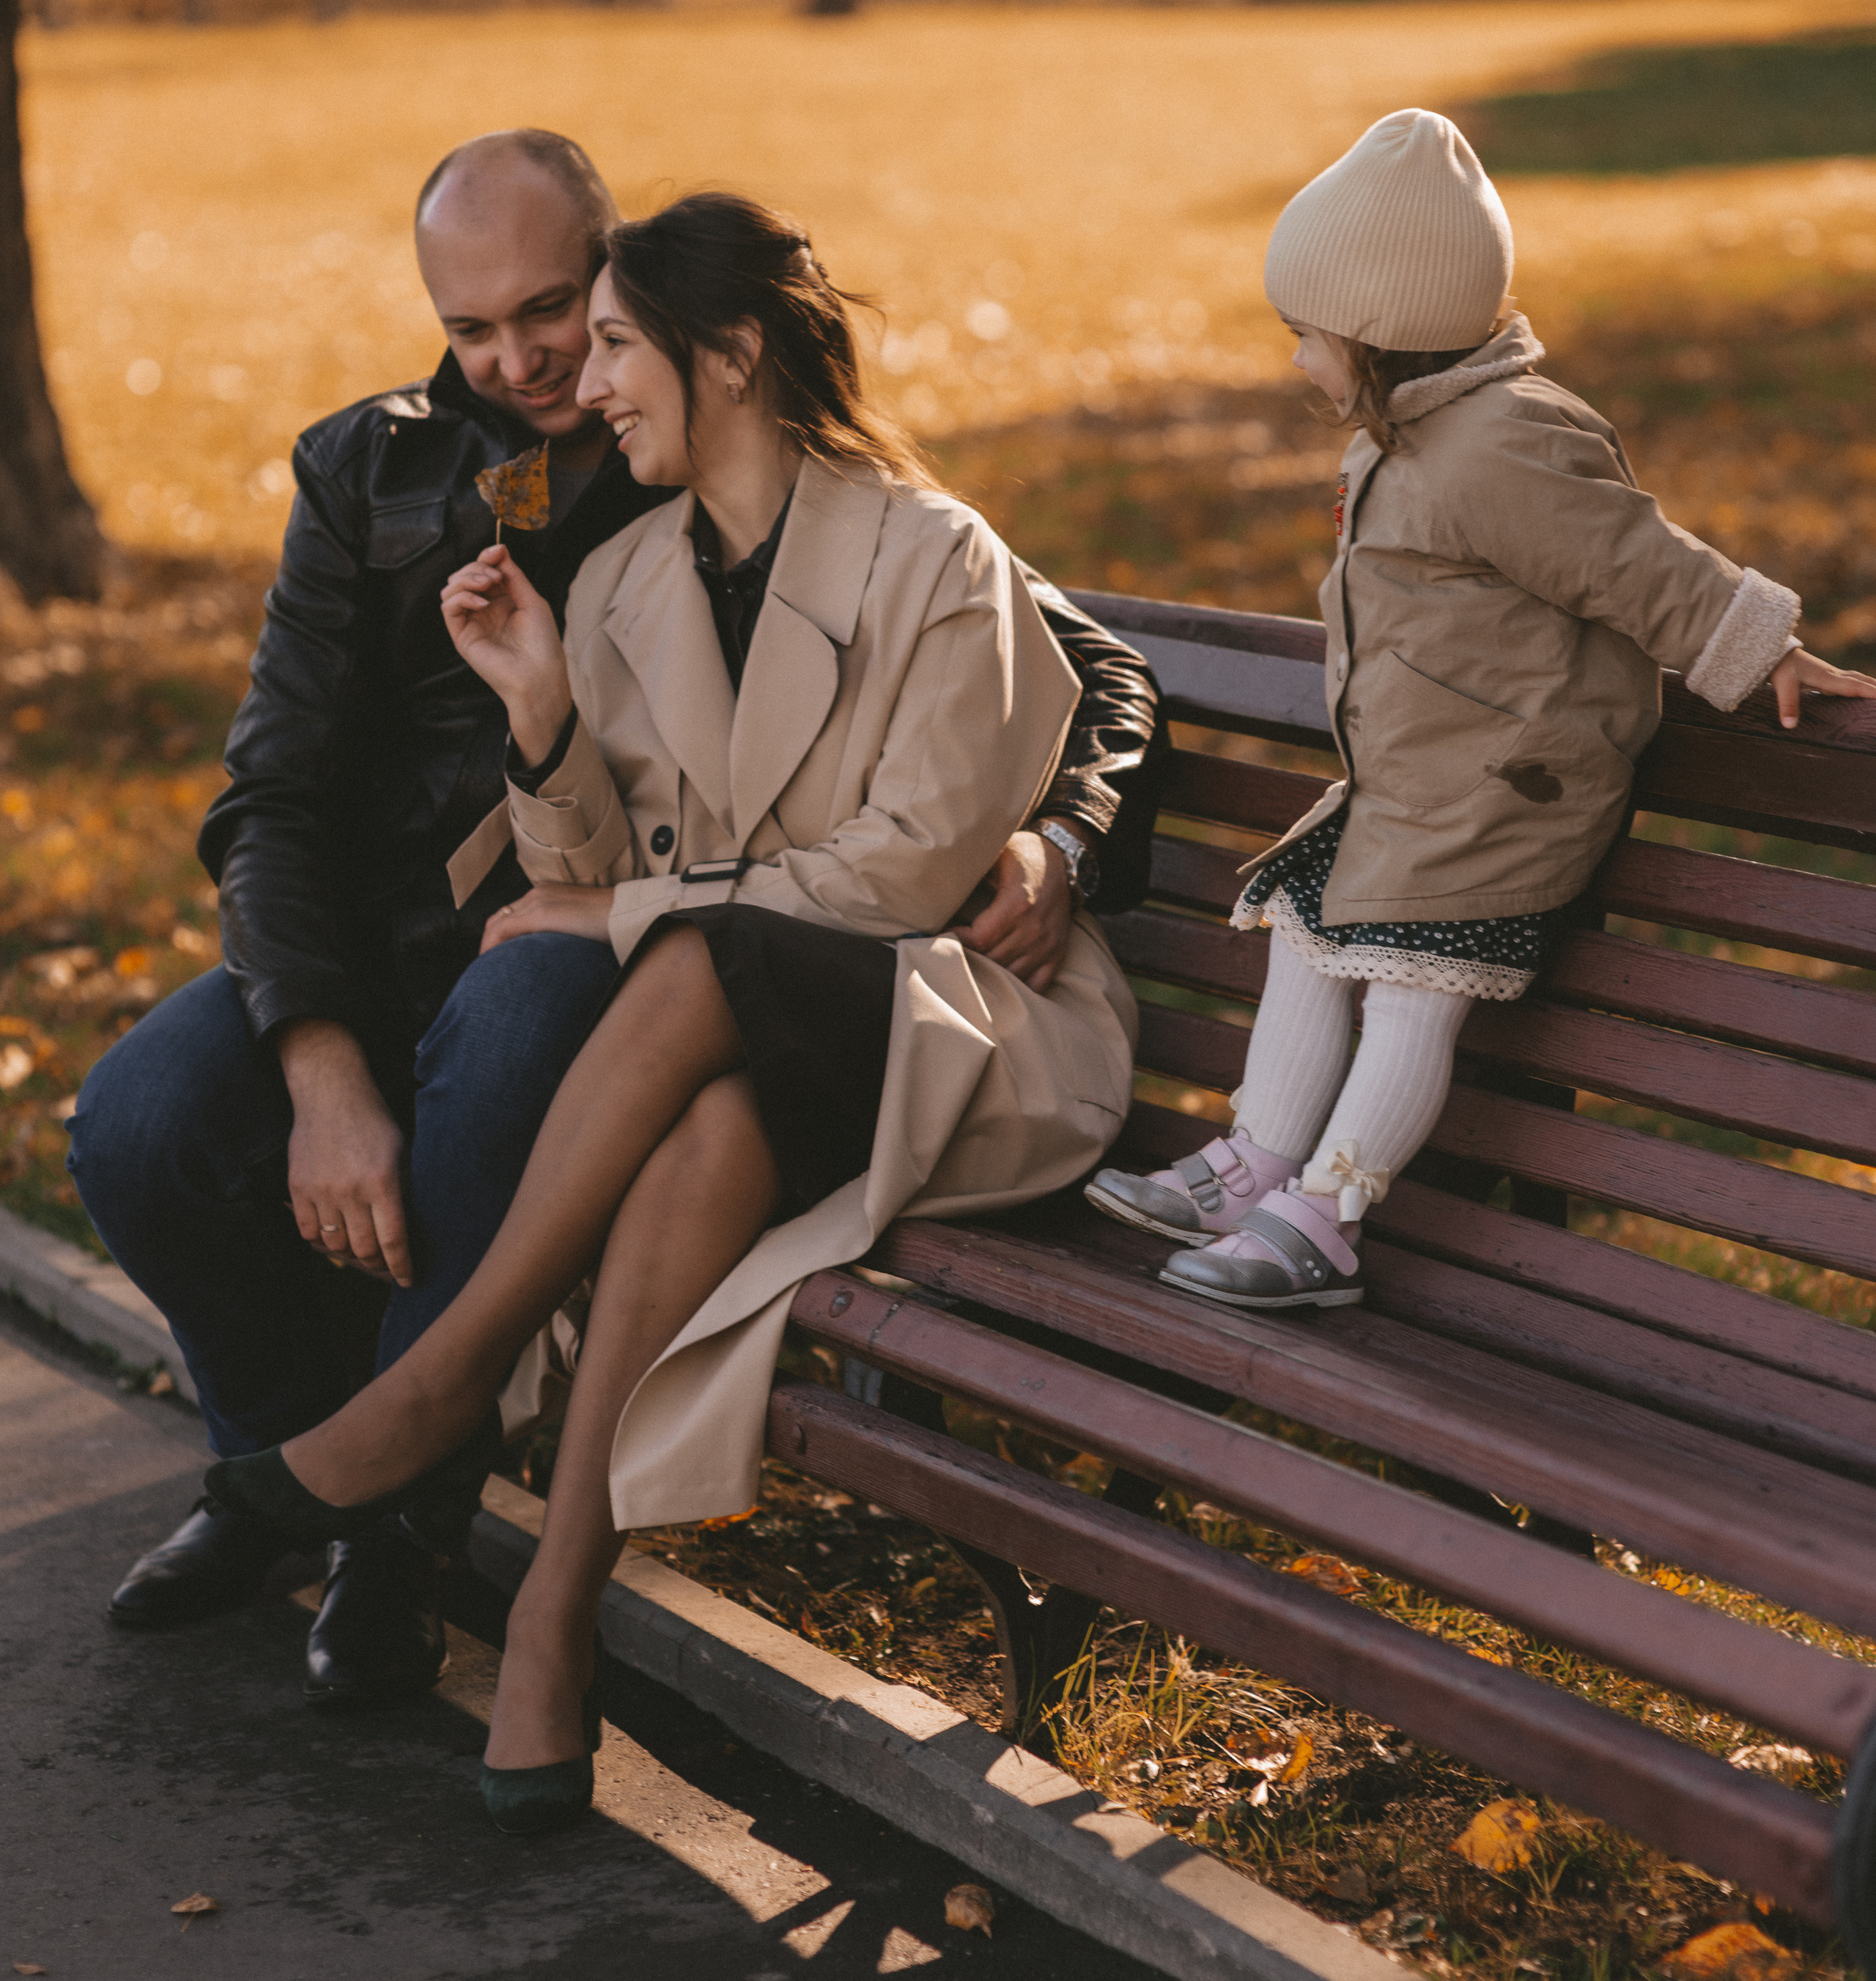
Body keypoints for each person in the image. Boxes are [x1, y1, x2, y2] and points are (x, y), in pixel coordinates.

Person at [71, 133, 1163, 1703]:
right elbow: (272, 797)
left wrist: (1063, 831)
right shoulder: (374, 472)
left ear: (616, 282)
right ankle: (280, 1469)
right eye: (469, 332)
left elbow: (1089, 665)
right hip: (431, 940)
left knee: (517, 1028)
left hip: (623, 958)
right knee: (136, 1118)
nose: (524, 365)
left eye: (554, 318)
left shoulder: (739, 445)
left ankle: (405, 1512)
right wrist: (318, 1057)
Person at [1088, 107, 1875, 1307]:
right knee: (1307, 935)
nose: (1297, 362)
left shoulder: (1504, 443)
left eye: (1309, 336)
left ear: (1383, 332)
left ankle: (1329, 1214)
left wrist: (1753, 644)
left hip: (1508, 791)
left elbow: (1635, 560)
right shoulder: (1405, 439)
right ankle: (1260, 1161)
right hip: (1419, 781)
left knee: (1410, 987)